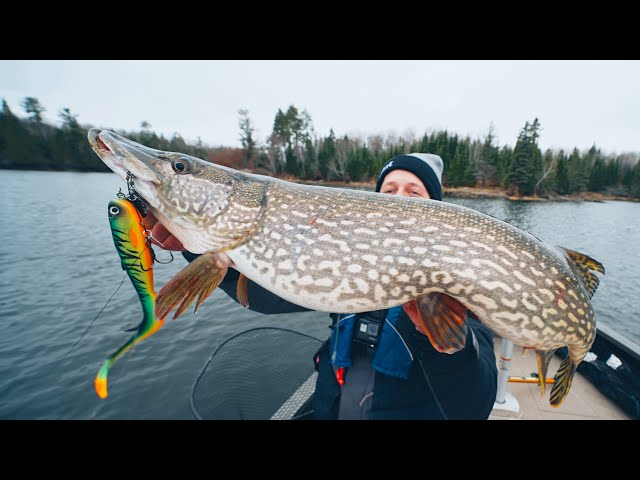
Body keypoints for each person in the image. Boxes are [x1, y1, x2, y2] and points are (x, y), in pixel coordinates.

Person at [146, 153, 498, 420]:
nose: (400, 198)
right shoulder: (344, 269)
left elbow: (474, 405)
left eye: (413, 192)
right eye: (389, 191)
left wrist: (445, 336)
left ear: (436, 212)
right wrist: (198, 246)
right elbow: (266, 293)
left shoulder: (465, 277)